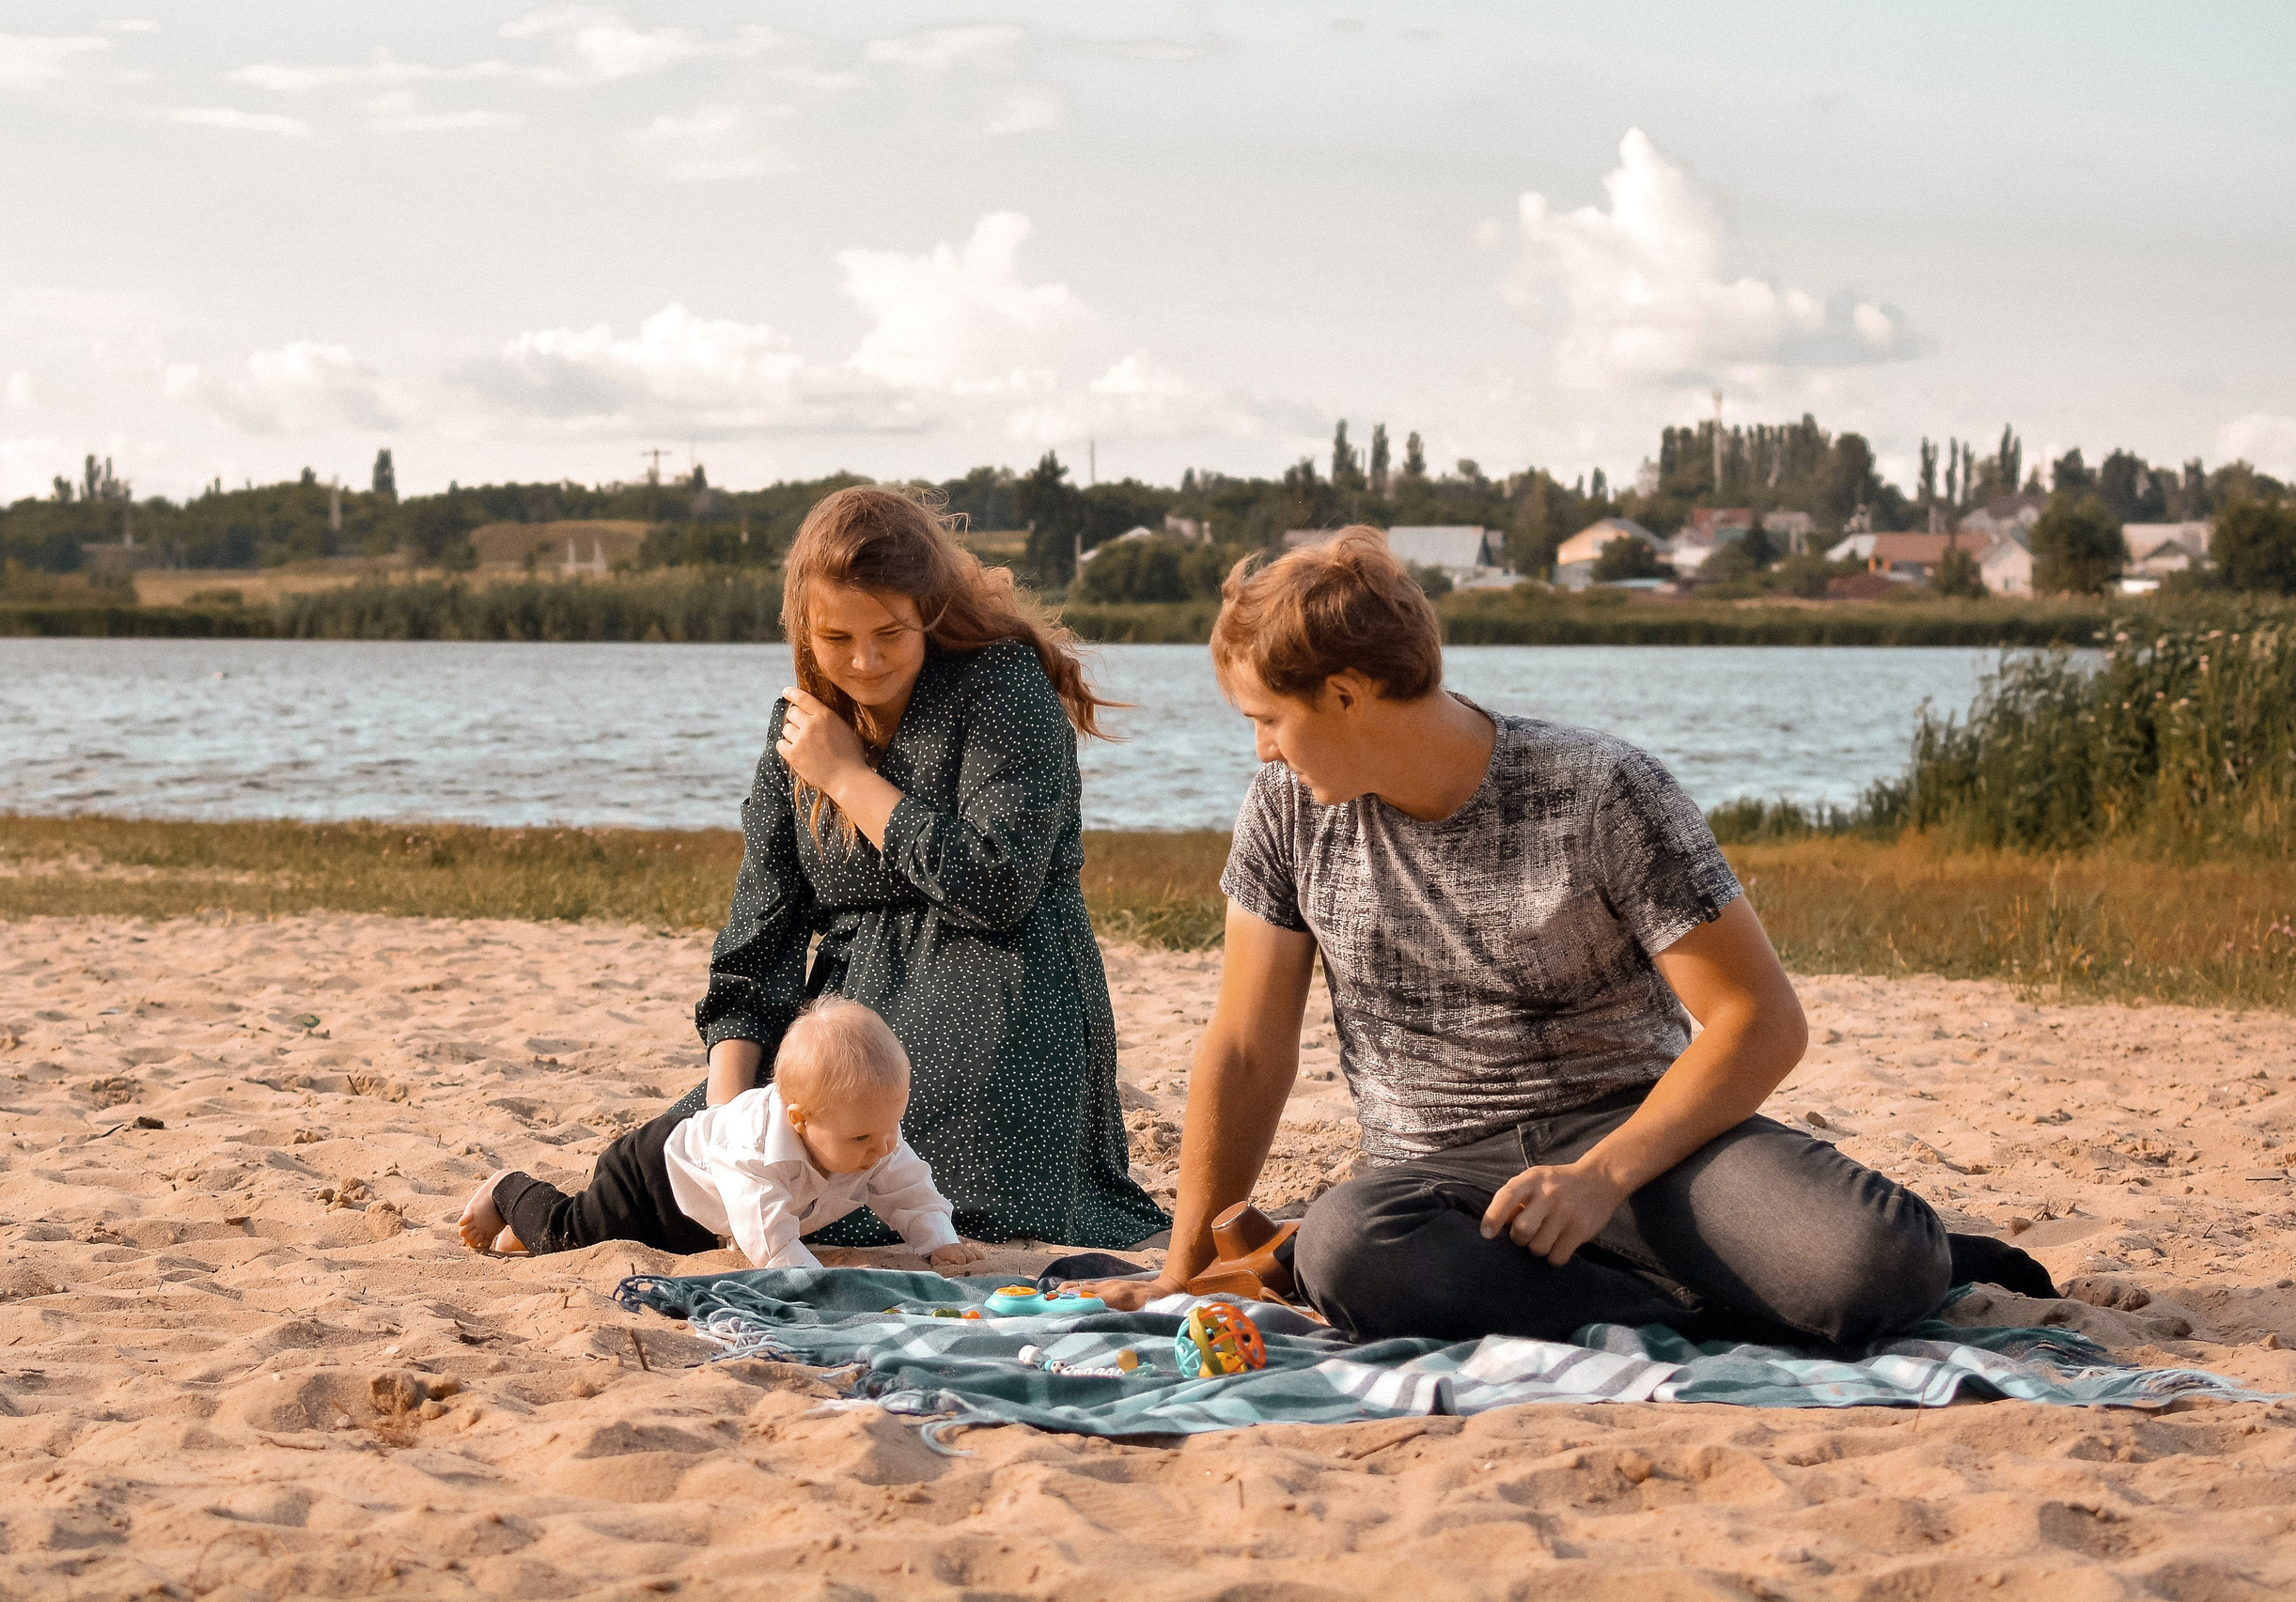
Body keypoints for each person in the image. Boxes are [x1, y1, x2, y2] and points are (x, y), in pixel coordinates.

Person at [1082, 528, 1968, 1347]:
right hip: (1434, 1188)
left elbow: (1759, 1020)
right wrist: (1184, 1270)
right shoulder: (1286, 816)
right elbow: (1244, 1047)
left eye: (1266, 720)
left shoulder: (1603, 789)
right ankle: (1680, 1311)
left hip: (1642, 1144)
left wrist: (1602, 1178)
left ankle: (1618, 1286)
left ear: (1345, 696)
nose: (1265, 752)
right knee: (1348, 1249)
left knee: (1878, 1264)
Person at [676, 485, 1167, 1251]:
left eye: (890, 633)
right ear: (801, 629)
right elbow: (759, 942)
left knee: (891, 1170)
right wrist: (724, 1126)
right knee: (674, 1169)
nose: (864, 662)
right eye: (836, 638)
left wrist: (847, 780)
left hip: (1003, 993)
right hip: (850, 1017)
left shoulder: (1002, 686)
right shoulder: (800, 723)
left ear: (929, 611)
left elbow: (997, 884)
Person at [458, 997, 977, 1270]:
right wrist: (806, 1277)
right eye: (864, 1139)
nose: (883, 1148)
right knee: (569, 1238)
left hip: (702, 1219)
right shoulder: (753, 1149)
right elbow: (768, 1236)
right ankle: (508, 1189)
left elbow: (910, 1188)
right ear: (799, 1120)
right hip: (651, 1176)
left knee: (657, 1249)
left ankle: (516, 1234)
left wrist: (937, 1240)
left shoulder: (872, 1135)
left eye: (892, 1128)